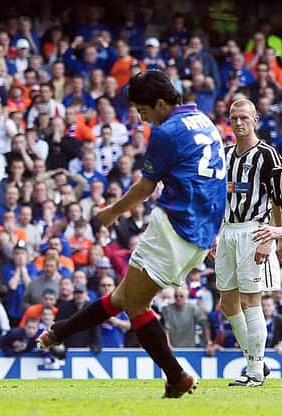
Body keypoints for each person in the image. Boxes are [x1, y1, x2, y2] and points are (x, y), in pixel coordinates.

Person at [38, 70, 227, 398]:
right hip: (202, 228)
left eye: (144, 112)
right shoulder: (203, 119)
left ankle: (176, 375)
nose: (144, 119)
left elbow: (145, 187)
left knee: (136, 305)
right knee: (123, 298)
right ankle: (58, 332)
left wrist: (111, 212)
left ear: (160, 103)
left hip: (176, 225)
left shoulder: (167, 132)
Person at [214, 98, 282, 387]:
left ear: (255, 120)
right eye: (233, 117)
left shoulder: (268, 155)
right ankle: (257, 362)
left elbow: (279, 201)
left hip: (255, 231)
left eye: (244, 117)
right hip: (229, 230)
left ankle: (254, 372)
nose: (238, 123)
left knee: (250, 300)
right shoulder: (226, 154)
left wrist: (274, 234)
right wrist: (217, 234)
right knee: (227, 301)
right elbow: (221, 199)